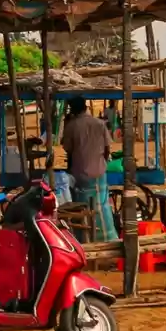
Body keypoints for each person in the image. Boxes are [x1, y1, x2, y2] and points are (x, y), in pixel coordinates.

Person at [62, 95, 117, 242]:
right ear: (85, 106)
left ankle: (85, 239)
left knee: (82, 208)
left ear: (72, 109)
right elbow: (107, 148)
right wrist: (102, 162)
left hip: (80, 174)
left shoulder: (71, 126)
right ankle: (107, 237)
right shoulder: (99, 123)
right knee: (103, 207)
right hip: (99, 172)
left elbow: (68, 149)